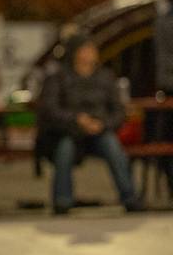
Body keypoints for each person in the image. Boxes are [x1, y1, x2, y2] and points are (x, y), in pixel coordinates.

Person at [37, 37, 144, 215]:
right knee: (65, 147)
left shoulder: (105, 77)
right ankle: (62, 200)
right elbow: (50, 109)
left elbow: (118, 111)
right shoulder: (58, 78)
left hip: (99, 130)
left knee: (112, 145)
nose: (89, 54)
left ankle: (130, 197)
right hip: (68, 131)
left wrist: (102, 123)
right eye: (85, 50)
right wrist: (77, 120)